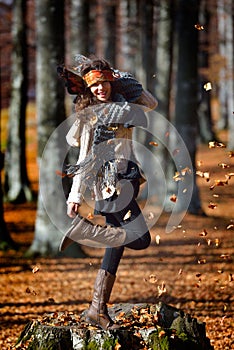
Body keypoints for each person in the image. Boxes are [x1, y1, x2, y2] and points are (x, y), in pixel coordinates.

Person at [58, 55, 158, 330]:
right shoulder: (91, 117)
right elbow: (84, 157)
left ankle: (96, 309)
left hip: (124, 180)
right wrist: (75, 197)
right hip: (108, 186)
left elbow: (151, 103)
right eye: (95, 86)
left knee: (115, 247)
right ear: (88, 90)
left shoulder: (123, 106)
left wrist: (123, 79)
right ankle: (85, 232)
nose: (100, 89)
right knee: (140, 239)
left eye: (104, 83)